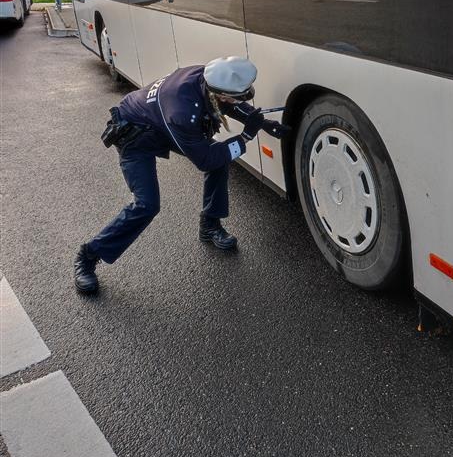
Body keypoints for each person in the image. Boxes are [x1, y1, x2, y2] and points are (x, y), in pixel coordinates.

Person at [73, 57, 290, 294]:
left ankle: (210, 225)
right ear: (221, 94)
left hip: (159, 123)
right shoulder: (183, 112)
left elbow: (230, 103)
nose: (241, 99)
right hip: (134, 135)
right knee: (147, 205)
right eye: (235, 97)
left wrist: (264, 123)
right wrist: (246, 136)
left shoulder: (207, 77)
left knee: (221, 159)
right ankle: (88, 255)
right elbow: (205, 159)